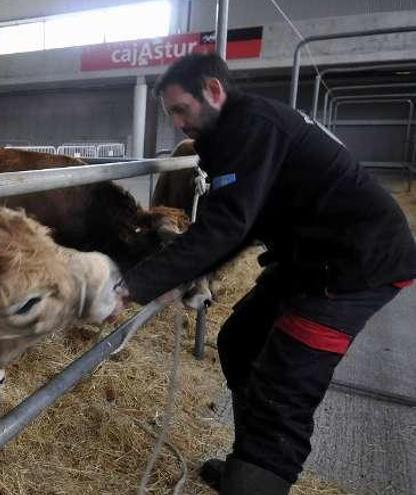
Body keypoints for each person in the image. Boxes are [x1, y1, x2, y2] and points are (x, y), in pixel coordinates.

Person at [117, 53, 416, 494]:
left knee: (283, 390)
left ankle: (259, 470)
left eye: (181, 109)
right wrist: (182, 275)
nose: (178, 123)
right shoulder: (232, 133)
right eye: (172, 114)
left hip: (353, 268)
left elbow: (226, 226)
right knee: (241, 342)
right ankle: (247, 460)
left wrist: (134, 285)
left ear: (214, 92)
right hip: (308, 257)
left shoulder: (252, 126)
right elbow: (240, 223)